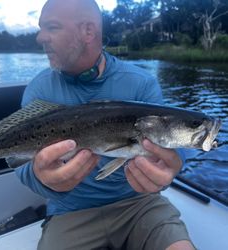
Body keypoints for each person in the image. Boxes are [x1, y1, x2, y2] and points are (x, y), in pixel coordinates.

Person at [16, 0, 195, 249]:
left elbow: (173, 144)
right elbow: (20, 165)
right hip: (70, 210)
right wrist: (41, 177)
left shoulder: (141, 83)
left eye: (51, 27)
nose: (40, 37)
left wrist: (174, 167)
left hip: (138, 204)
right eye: (41, 28)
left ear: (88, 31)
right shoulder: (39, 89)